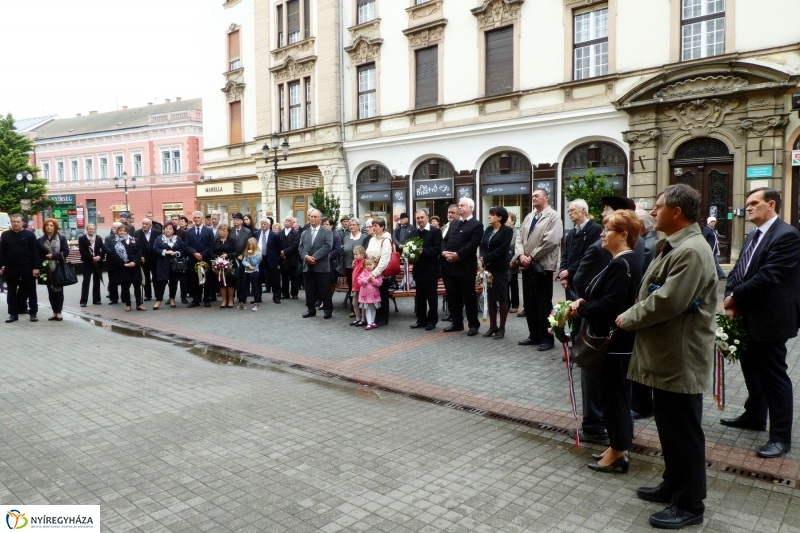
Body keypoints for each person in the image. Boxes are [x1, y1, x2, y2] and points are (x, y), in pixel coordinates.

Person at [617, 184, 717, 529]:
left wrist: (629, 317)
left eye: (658, 207)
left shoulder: (690, 250)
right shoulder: (676, 244)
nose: (653, 212)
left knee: (684, 433)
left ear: (676, 212)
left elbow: (669, 301)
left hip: (680, 358)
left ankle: (690, 505)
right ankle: (674, 485)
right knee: (670, 430)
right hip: (668, 356)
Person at [721, 187, 800, 459]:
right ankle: (754, 416)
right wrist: (730, 296)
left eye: (754, 203)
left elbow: (769, 275)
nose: (749, 208)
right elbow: (739, 270)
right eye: (748, 203)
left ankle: (780, 438)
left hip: (770, 319)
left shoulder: (787, 235)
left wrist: (733, 298)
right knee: (751, 369)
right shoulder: (753, 235)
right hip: (748, 317)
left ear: (772, 205)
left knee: (774, 378)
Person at [568, 210, 643, 474]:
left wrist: (582, 309)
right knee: (613, 398)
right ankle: (616, 447)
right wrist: (585, 302)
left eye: (607, 229)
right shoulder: (623, 260)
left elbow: (611, 305)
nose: (602, 233)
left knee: (616, 399)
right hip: (617, 343)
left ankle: (619, 452)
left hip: (615, 344)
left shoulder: (623, 263)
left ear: (623, 235)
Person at [515, 188, 563, 350]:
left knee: (543, 303)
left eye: (537, 195)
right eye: (532, 195)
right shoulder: (529, 216)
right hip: (527, 266)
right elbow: (519, 237)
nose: (533, 198)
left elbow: (551, 240)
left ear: (546, 197)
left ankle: (547, 339)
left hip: (543, 266)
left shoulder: (554, 216)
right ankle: (533, 335)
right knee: (529, 303)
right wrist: (521, 255)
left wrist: (532, 256)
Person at [441, 198, 483, 336]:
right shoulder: (453, 224)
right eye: (459, 205)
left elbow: (472, 244)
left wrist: (458, 255)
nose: (460, 207)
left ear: (471, 208)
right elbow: (444, 240)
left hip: (465, 266)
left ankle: (473, 324)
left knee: (468, 296)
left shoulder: (476, 225)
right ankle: (457, 323)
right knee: (453, 296)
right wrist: (444, 252)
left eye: (462, 205)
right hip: (450, 266)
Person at [480, 206, 514, 339]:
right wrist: (483, 257)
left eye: (492, 214)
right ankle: (492, 325)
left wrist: (488, 258)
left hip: (500, 267)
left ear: (500, 217)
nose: (489, 216)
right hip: (488, 267)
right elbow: (483, 245)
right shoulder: (488, 229)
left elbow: (503, 248)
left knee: (502, 296)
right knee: (490, 296)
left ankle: (502, 327)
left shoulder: (507, 231)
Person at [557, 200, 601, 301]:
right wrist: (563, 273)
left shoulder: (596, 230)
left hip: (585, 280)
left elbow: (589, 255)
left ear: (583, 210)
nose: (569, 213)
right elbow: (565, 254)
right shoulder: (572, 233)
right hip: (570, 281)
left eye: (572, 210)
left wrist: (569, 271)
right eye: (568, 211)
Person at [0, 213, 40, 322]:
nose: (16, 223)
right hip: (11, 267)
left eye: (18, 221)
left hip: (27, 267)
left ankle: (33, 313)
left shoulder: (29, 235)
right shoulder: (5, 235)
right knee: (11, 291)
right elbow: (2, 252)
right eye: (14, 221)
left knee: (31, 290)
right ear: (11, 222)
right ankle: (13, 314)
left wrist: (36, 267)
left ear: (22, 222)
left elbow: (35, 252)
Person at [409, 210, 442, 331]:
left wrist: (424, 251)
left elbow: (438, 248)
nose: (420, 220)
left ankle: (432, 321)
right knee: (420, 297)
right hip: (418, 269)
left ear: (427, 218)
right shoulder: (414, 232)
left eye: (422, 217)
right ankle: (421, 319)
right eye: (417, 218)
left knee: (432, 297)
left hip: (431, 270)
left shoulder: (435, 231)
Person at [298, 209, 333, 319]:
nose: (312, 218)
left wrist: (315, 257)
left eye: (314, 217)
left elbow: (328, 246)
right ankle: (311, 309)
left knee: (324, 289)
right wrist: (306, 257)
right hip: (308, 265)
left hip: (321, 265)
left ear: (320, 219)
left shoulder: (327, 232)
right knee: (309, 289)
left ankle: (327, 310)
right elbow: (301, 247)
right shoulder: (305, 232)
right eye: (311, 216)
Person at [106, 224, 145, 312]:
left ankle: (139, 304)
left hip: (134, 266)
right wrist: (124, 264)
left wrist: (134, 262)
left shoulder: (134, 240)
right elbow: (113, 255)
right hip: (122, 267)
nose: (122, 232)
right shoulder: (114, 242)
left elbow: (139, 252)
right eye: (120, 231)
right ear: (117, 232)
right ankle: (128, 304)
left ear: (127, 232)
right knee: (125, 287)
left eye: (124, 231)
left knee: (137, 287)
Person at [38, 218, 70, 321]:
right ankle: (54, 312)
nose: (49, 227)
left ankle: (59, 312)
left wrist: (54, 256)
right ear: (44, 227)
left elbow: (65, 252)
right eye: (47, 225)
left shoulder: (61, 238)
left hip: (58, 267)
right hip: (46, 268)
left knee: (58, 290)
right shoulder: (40, 239)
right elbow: (38, 253)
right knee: (50, 290)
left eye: (51, 225)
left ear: (55, 227)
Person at [364, 216, 394, 326]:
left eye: (376, 226)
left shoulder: (386, 240)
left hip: (380, 274)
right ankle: (374, 317)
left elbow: (385, 260)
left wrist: (375, 273)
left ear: (382, 227)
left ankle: (383, 318)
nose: (373, 228)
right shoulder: (372, 239)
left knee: (382, 295)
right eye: (373, 226)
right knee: (374, 295)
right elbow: (368, 254)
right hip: (371, 272)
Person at [152, 222, 186, 309]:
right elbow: (155, 248)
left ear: (173, 231)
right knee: (161, 282)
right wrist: (165, 252)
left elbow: (183, 248)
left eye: (170, 228)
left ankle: (172, 299)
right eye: (166, 228)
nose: (168, 230)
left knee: (173, 282)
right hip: (162, 264)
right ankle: (158, 300)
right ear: (163, 230)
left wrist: (176, 252)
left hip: (174, 264)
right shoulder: (159, 238)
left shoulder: (177, 238)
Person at [184, 211, 214, 308]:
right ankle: (195, 300)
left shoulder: (209, 231)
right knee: (194, 281)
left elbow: (211, 245)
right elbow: (186, 245)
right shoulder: (189, 231)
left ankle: (206, 299)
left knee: (207, 280)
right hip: (193, 259)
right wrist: (194, 253)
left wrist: (202, 254)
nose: (196, 219)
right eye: (195, 218)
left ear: (202, 219)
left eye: (198, 217)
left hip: (205, 259)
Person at [253, 217, 282, 304]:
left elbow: (278, 248)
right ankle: (258, 298)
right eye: (262, 224)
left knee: (275, 279)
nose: (263, 225)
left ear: (269, 225)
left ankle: (276, 297)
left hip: (271, 259)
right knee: (258, 278)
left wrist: (276, 258)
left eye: (265, 224)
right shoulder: (256, 234)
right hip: (259, 259)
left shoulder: (275, 235)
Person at [341, 217, 367, 314]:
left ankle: (362, 309)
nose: (351, 226)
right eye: (350, 225)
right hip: (349, 267)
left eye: (354, 225)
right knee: (351, 287)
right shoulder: (346, 238)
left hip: (361, 268)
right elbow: (343, 252)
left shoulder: (364, 237)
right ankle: (354, 309)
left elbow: (365, 252)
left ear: (359, 226)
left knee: (361, 287)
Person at [439, 204, 459, 322]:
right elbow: (442, 242)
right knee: (449, 290)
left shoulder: (459, 227)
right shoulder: (444, 227)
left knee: (455, 291)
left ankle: (456, 314)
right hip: (444, 262)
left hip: (454, 262)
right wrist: (443, 253)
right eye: (449, 212)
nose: (450, 215)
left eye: (453, 212)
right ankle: (451, 312)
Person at [134, 218, 161, 302]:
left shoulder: (157, 233)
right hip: (143, 259)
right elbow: (136, 247)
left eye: (146, 224)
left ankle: (158, 295)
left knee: (156, 277)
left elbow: (159, 245)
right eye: (143, 224)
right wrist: (140, 256)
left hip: (155, 259)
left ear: (151, 225)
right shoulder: (137, 233)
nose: (144, 225)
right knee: (145, 277)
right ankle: (148, 295)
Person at [212, 223, 237, 308]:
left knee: (230, 282)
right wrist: (217, 257)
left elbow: (236, 252)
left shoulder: (232, 240)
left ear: (227, 232)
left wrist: (228, 255)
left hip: (229, 264)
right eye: (220, 230)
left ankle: (230, 300)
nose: (222, 232)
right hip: (219, 264)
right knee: (221, 282)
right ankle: (224, 300)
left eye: (224, 230)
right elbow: (212, 253)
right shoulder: (216, 241)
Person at [78, 223, 104, 307]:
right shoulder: (82, 238)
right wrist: (92, 257)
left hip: (97, 262)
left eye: (93, 229)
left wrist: (99, 256)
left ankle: (96, 299)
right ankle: (83, 301)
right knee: (86, 280)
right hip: (87, 262)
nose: (91, 230)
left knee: (96, 280)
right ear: (87, 229)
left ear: (95, 229)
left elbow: (102, 249)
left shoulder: (98, 238)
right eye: (90, 229)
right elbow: (82, 251)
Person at [230, 213, 252, 306]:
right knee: (233, 278)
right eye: (234, 219)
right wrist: (233, 254)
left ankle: (242, 298)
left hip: (244, 258)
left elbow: (249, 245)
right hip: (232, 258)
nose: (235, 221)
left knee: (243, 279)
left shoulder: (247, 231)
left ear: (242, 221)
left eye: (237, 220)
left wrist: (243, 254)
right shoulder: (230, 230)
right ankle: (232, 297)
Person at [358, 256, 383, 330]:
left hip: (374, 295)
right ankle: (369, 323)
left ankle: (372, 322)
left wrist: (373, 280)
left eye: (370, 265)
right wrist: (367, 279)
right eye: (367, 265)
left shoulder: (377, 274)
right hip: (366, 296)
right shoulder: (363, 273)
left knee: (373, 309)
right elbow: (360, 281)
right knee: (368, 309)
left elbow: (379, 283)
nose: (368, 266)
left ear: (374, 265)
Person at [279, 216, 301, 300]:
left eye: (289, 221)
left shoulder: (295, 233)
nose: (287, 222)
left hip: (292, 258)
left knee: (294, 276)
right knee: (284, 276)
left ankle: (294, 293)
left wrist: (285, 252)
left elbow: (295, 245)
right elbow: (278, 244)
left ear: (292, 223)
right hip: (283, 258)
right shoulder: (280, 233)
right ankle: (285, 293)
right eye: (286, 220)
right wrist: (281, 252)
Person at [322, 217, 342, 299]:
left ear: (331, 226)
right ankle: (322, 300)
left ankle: (327, 301)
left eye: (326, 224)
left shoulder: (336, 236)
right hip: (321, 264)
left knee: (330, 283)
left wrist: (328, 256)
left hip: (332, 263)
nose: (324, 226)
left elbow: (337, 250)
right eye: (323, 225)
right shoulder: (320, 236)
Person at [104, 222, 123, 305]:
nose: (114, 229)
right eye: (113, 227)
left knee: (124, 281)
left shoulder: (125, 237)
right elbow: (106, 248)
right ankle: (113, 298)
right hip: (112, 262)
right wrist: (116, 254)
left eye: (116, 227)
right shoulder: (108, 238)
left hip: (123, 263)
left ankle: (125, 297)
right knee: (112, 281)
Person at [240, 237, 262, 310]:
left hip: (254, 272)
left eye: (252, 244)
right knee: (243, 287)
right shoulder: (247, 251)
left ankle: (256, 304)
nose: (250, 246)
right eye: (249, 245)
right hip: (247, 271)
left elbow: (254, 262)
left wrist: (250, 255)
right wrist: (248, 265)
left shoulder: (258, 253)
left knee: (254, 288)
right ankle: (243, 303)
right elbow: (243, 261)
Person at [506, 212, 520, 313]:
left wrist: (514, 260)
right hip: (504, 262)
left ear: (513, 221)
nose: (505, 221)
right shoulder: (503, 231)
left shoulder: (517, 232)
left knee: (513, 284)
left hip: (513, 261)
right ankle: (506, 304)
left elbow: (517, 248)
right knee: (505, 284)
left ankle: (515, 304)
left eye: (508, 219)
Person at [350, 246, 366, 326]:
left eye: (356, 254)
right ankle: (357, 318)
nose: (355, 256)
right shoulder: (356, 262)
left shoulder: (363, 262)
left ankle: (363, 319)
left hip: (360, 286)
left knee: (362, 303)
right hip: (354, 286)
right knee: (354, 303)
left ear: (362, 255)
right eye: (354, 254)